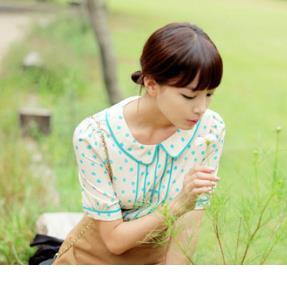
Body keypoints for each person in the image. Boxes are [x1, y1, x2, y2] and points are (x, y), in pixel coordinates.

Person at [52, 22, 226, 265]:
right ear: (152, 84)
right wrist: (178, 205)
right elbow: (115, 241)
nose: (201, 108)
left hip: (154, 260)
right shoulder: (95, 136)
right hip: (92, 261)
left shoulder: (210, 129)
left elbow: (190, 223)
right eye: (188, 96)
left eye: (209, 94)